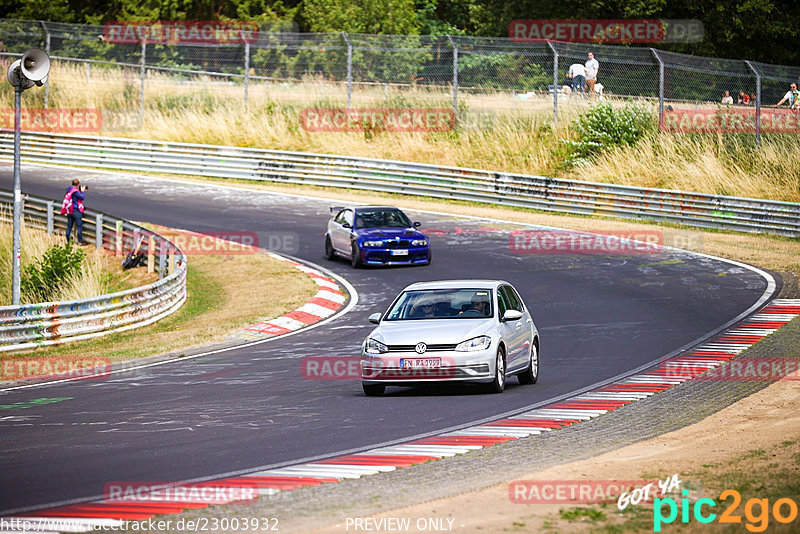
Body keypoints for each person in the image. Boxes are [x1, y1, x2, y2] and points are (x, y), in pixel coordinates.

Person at [63, 179, 88, 245]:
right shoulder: (75, 191)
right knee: (79, 226)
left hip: (69, 210)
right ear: (78, 185)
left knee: (69, 226)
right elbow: (82, 197)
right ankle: (80, 241)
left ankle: (68, 240)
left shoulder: (69, 190)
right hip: (76, 210)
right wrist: (82, 191)